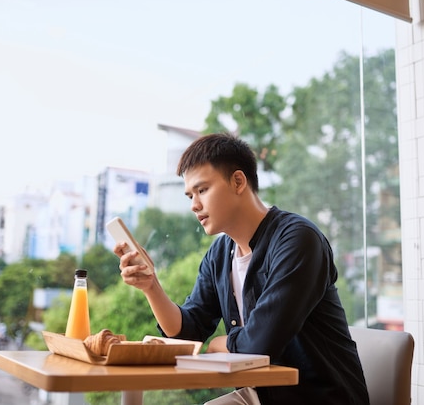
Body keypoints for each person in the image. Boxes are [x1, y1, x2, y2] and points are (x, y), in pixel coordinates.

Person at [115, 133, 369, 404]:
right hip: (260, 395)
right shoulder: (220, 253)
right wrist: (151, 286)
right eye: (190, 195)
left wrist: (216, 345)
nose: (194, 205)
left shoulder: (298, 240)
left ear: (238, 181)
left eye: (202, 190)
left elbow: (258, 346)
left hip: (317, 399)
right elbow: (189, 333)